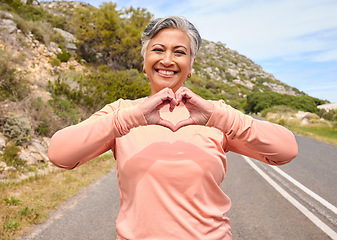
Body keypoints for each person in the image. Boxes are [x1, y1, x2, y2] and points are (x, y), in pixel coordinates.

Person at [48, 16, 298, 240]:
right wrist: (129, 119)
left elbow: (286, 150)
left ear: (191, 66)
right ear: (144, 62)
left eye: (179, 52)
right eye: (158, 50)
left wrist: (221, 117)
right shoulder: (122, 113)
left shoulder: (215, 114)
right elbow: (59, 154)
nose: (167, 60)